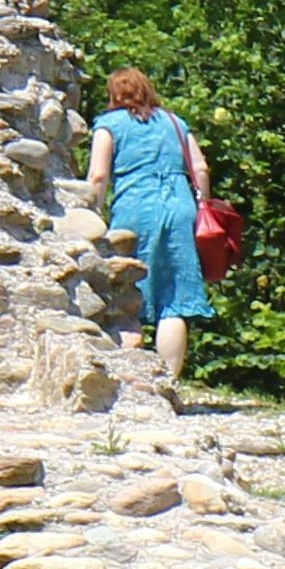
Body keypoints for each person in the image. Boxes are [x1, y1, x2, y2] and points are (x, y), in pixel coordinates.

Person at [89, 70, 216, 393]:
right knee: (172, 298)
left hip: (135, 207)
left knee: (126, 288)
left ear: (114, 95)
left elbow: (98, 176)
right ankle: (168, 383)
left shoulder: (109, 125)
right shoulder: (175, 122)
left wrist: (92, 213)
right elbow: (200, 168)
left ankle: (127, 380)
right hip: (179, 207)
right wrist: (203, 202)